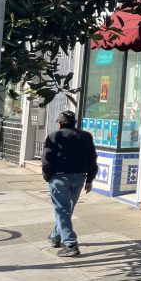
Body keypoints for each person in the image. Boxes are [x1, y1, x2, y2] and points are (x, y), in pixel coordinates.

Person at [41, 110, 98, 257]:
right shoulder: (85, 136)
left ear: (60, 122)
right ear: (75, 122)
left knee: (63, 211)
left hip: (59, 179)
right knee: (67, 210)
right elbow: (92, 158)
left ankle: (71, 244)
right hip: (79, 178)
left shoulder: (54, 136)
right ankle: (55, 236)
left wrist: (47, 177)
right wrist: (90, 179)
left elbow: (47, 159)